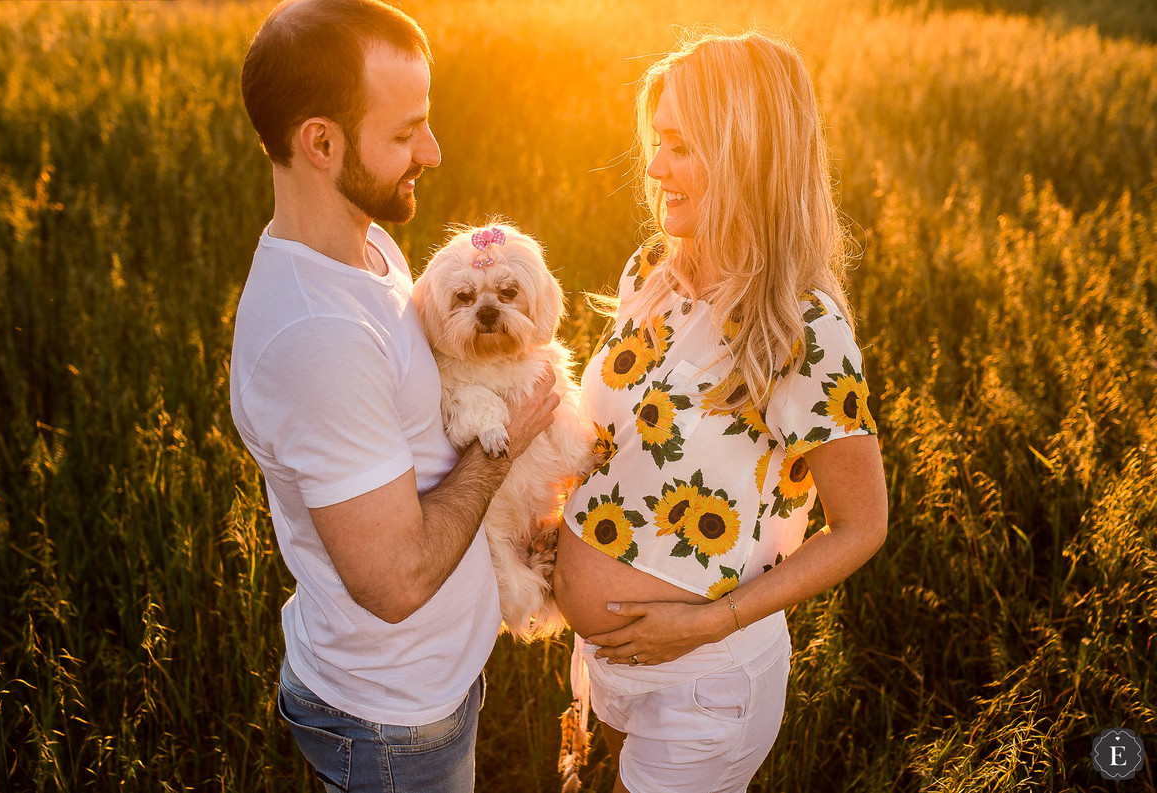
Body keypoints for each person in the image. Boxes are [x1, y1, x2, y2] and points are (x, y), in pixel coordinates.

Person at [229, 1, 558, 791]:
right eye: (407, 132)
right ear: (321, 143)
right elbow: (396, 580)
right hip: (392, 722)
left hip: (430, 685)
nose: (433, 152)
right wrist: (505, 442)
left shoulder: (367, 246)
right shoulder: (317, 338)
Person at [553, 29, 889, 793]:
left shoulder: (803, 329)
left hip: (705, 679)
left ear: (747, 154)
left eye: (681, 146)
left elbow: (862, 525)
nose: (654, 168)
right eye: (658, 141)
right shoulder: (652, 272)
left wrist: (707, 622)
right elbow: (612, 443)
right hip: (607, 664)